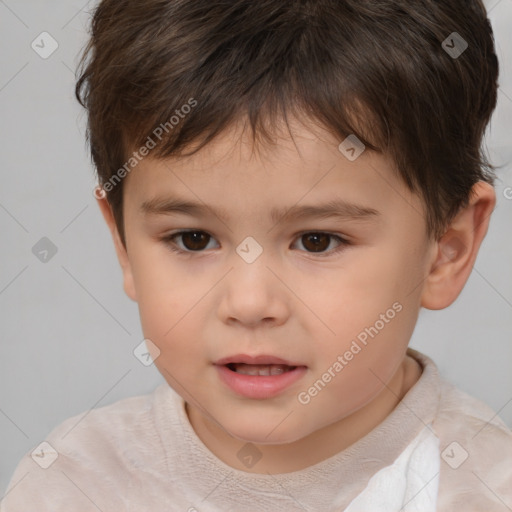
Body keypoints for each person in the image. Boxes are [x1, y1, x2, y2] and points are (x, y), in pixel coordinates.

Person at [2, 0, 511, 510]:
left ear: (447, 250)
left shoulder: (486, 489)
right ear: (125, 245)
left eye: (317, 241)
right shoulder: (73, 486)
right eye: (193, 239)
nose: (249, 303)